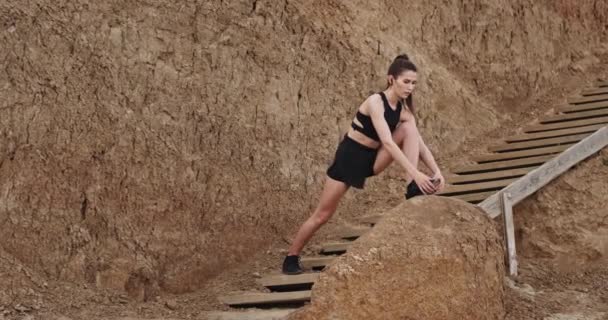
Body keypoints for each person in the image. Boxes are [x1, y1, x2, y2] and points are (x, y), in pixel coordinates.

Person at [282, 54, 445, 275]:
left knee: (409, 130)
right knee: (323, 214)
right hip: (349, 157)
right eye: (406, 81)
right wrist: (416, 172)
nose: (410, 87)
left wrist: (436, 172)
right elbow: (387, 141)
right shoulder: (375, 102)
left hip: (372, 159)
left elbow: (420, 145)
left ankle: (411, 189)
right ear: (391, 79)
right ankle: (291, 257)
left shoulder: (405, 111)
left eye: (414, 83)